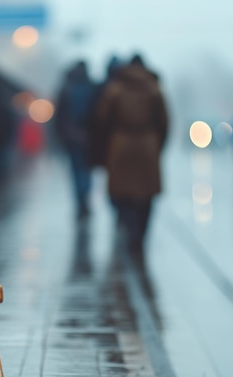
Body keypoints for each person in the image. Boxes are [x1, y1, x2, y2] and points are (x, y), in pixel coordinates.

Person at [93, 53, 169, 260]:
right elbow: (164, 122)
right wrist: (156, 146)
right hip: (148, 144)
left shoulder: (115, 88)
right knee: (147, 194)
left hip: (121, 145)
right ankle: (140, 237)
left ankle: (128, 230)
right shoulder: (154, 88)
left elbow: (102, 119)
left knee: (122, 192)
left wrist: (109, 145)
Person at [53, 60, 97, 219]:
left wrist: (61, 137)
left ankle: (80, 203)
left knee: (76, 171)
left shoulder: (67, 87)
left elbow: (59, 116)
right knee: (86, 171)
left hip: (72, 137)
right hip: (88, 138)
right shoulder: (92, 87)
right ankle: (85, 200)